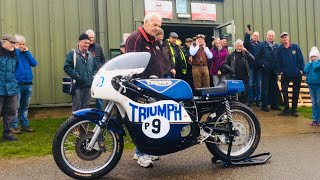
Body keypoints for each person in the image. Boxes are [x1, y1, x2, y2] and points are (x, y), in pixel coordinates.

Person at [125, 12, 161, 167]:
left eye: (159, 25)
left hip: (151, 87)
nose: (157, 28)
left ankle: (143, 150)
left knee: (150, 120)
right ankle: (141, 153)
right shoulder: (136, 38)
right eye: (154, 25)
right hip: (140, 88)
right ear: (145, 23)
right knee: (142, 121)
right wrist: (138, 85)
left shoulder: (153, 40)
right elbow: (131, 64)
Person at [10, 34, 37, 134]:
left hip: (28, 84)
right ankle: (14, 126)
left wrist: (27, 52)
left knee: (25, 106)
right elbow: (15, 62)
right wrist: (16, 50)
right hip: (18, 84)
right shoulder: (13, 54)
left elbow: (34, 63)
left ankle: (25, 125)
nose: (22, 46)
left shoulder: (26, 54)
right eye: (19, 44)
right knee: (15, 107)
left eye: (23, 44)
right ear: (15, 45)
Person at [64, 33, 97, 112]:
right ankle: (75, 124)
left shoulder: (90, 55)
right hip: (77, 87)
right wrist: (77, 76)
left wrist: (92, 77)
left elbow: (95, 68)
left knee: (85, 109)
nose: (87, 45)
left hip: (88, 86)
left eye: (88, 43)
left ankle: (84, 124)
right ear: (79, 42)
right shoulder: (72, 54)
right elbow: (67, 67)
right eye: (85, 43)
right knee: (77, 109)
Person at [277, 32, 305, 117]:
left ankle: (294, 110)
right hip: (285, 74)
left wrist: (301, 70)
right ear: (281, 39)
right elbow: (277, 61)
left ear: (288, 38)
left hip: (296, 74)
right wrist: (281, 71)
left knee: (295, 92)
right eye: (283, 37)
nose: (284, 39)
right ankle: (286, 109)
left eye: (286, 37)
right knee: (284, 90)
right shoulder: (279, 49)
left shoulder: (295, 47)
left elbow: (301, 59)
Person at [255, 30, 281, 112]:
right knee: (265, 88)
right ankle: (264, 105)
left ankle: (274, 105)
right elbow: (257, 57)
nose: (271, 37)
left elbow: (278, 58)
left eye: (272, 35)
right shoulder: (261, 45)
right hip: (265, 70)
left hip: (274, 70)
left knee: (274, 88)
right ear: (267, 36)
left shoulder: (276, 46)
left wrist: (278, 68)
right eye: (269, 35)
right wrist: (262, 65)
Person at [0, 34, 19, 141]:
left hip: (12, 89)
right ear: (4, 42)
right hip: (0, 88)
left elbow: (14, 70)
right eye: (11, 42)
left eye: (14, 43)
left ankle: (7, 134)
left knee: (11, 112)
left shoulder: (14, 55)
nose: (13, 45)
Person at [85, 29, 106, 110]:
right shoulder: (84, 47)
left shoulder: (98, 47)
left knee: (98, 95)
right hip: (87, 75)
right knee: (86, 95)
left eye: (93, 37)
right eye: (90, 37)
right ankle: (85, 114)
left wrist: (100, 66)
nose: (92, 39)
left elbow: (102, 59)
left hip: (97, 74)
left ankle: (100, 114)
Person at [244, 28, 261, 107]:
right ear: (252, 36)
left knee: (258, 84)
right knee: (250, 83)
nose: (256, 37)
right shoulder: (249, 43)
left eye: (257, 36)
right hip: (251, 66)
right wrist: (247, 34)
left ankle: (258, 100)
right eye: (254, 35)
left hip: (259, 67)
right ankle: (250, 100)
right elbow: (246, 43)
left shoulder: (260, 44)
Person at [304, 47, 320, 125]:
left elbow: (316, 68)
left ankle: (319, 119)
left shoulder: (318, 64)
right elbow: (305, 70)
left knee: (319, 102)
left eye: (314, 56)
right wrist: (310, 63)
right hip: (311, 85)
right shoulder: (310, 64)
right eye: (311, 57)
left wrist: (314, 62)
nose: (313, 58)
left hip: (318, 85)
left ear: (317, 57)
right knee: (314, 103)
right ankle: (314, 119)